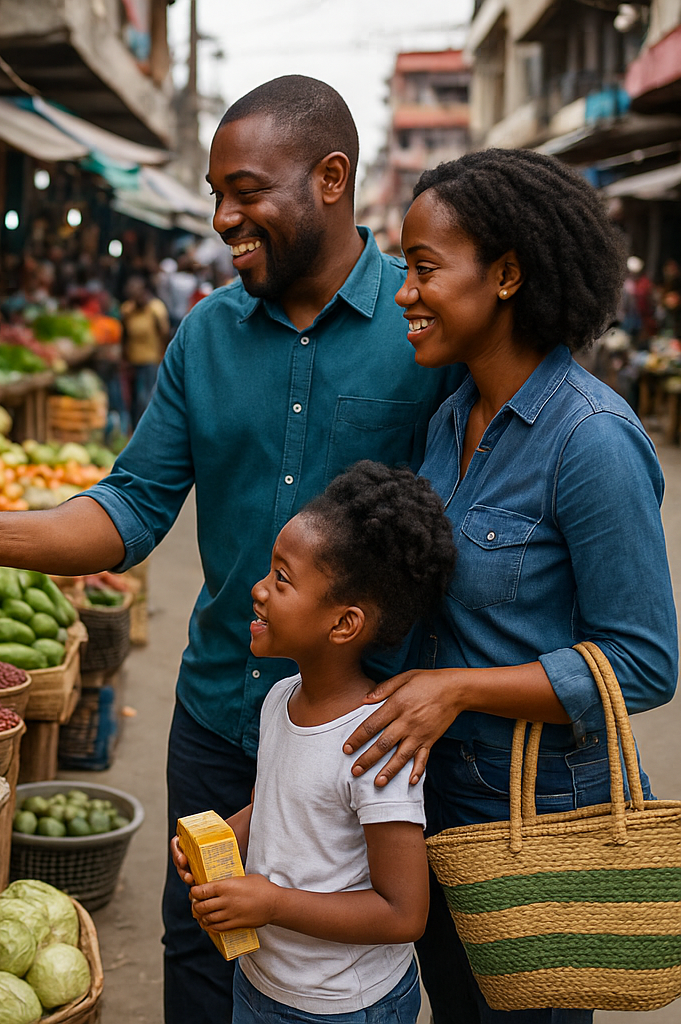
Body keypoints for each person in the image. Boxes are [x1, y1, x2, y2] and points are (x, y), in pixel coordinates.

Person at [0, 75, 460, 1023]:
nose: (224, 216)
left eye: (247, 190)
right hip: (222, 711)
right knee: (198, 950)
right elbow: (136, 504)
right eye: (217, 191)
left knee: (344, 964)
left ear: (333, 178)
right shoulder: (205, 335)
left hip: (366, 741)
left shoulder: (422, 329)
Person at [334, 150, 679, 1023]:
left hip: (541, 823)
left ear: (508, 275)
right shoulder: (452, 419)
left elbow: (643, 664)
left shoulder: (592, 441)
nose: (404, 295)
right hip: (435, 800)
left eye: (423, 269)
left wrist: (457, 690)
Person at [172, 462, 456, 1024]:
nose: (258, 590)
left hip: (344, 1006)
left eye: (282, 579)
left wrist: (271, 903)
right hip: (262, 982)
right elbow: (283, 803)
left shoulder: (379, 745)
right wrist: (228, 833)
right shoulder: (281, 698)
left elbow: (403, 914)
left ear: (344, 624)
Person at [119, 275, 170, 429]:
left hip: (151, 359)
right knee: (133, 400)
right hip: (133, 360)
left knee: (146, 397)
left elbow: (164, 334)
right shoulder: (128, 310)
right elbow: (124, 335)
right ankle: (134, 430)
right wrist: (124, 357)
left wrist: (163, 356)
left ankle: (148, 429)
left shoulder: (156, 309)